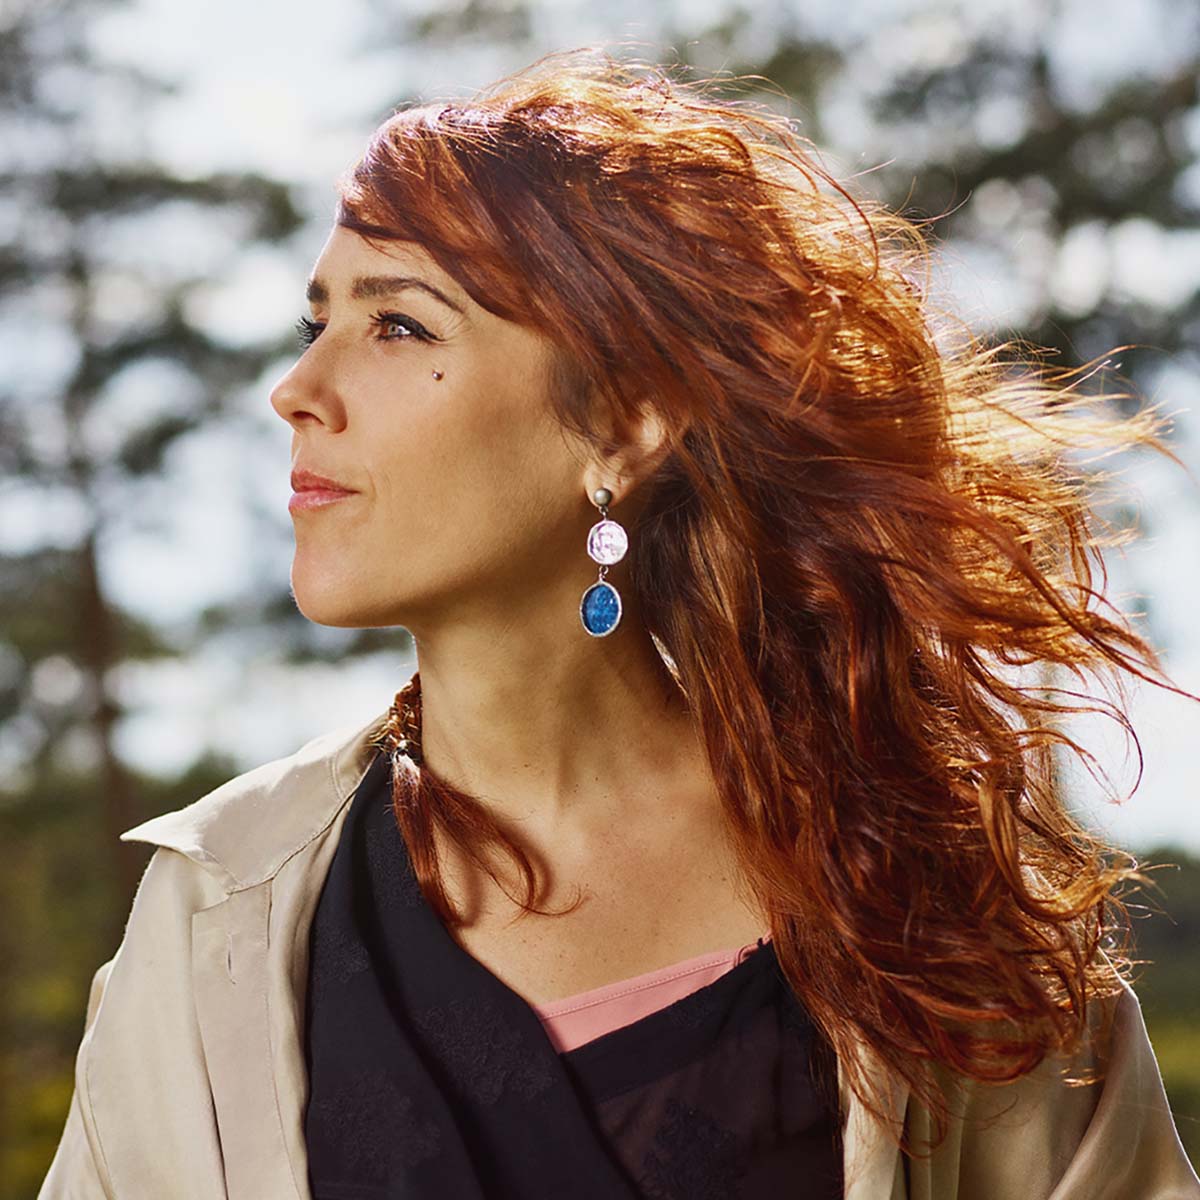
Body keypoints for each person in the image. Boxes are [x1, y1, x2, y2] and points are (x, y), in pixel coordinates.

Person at [39, 46, 1200, 1200]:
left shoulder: (912, 887)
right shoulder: (217, 907)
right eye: (317, 324)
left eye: (398, 326)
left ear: (627, 423)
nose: (296, 391)